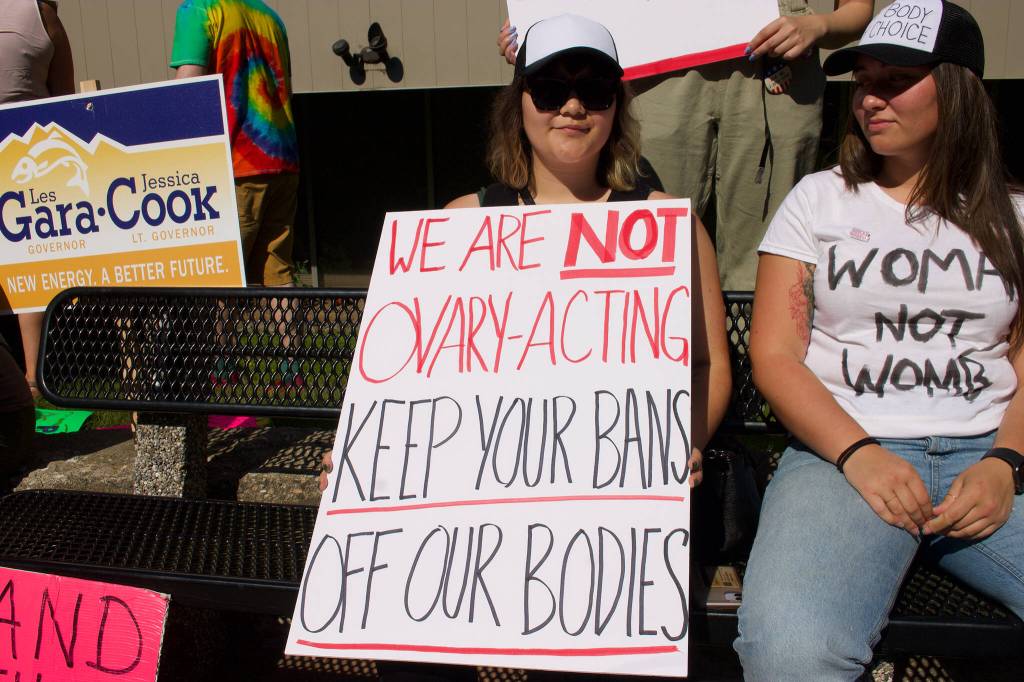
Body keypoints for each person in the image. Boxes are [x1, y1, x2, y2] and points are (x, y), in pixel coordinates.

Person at [323, 13, 731, 493]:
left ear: (617, 108)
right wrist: (368, 453)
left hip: (622, 498)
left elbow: (709, 365)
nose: (573, 107)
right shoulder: (462, 224)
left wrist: (682, 443)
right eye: (550, 90)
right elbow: (411, 384)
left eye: (595, 90)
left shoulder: (672, 226)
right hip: (486, 498)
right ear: (518, 104)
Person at [736, 2, 1024, 679]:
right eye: (865, 79)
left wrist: (1006, 461)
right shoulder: (818, 200)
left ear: (959, 90)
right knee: (791, 654)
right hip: (840, 463)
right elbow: (775, 354)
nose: (871, 98)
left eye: (895, 80)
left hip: (986, 459)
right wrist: (858, 453)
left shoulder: (1013, 215)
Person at [500, 0, 873, 290]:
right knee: (646, 246)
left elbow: (858, 11)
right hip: (658, 60)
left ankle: (756, 377)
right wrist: (536, 23)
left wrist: (819, 24)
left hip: (775, 63)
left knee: (765, 257)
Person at [170, 0, 300, 289]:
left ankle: (221, 338)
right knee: (278, 276)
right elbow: (286, 88)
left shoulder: (199, 10)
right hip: (282, 160)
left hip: (234, 167)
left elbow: (185, 94)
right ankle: (293, 338)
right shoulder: (270, 17)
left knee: (222, 278)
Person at [0, 0, 75, 400]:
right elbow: (64, 101)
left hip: (24, 160)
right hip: (28, 153)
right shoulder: (41, 13)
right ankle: (33, 379)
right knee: (32, 258)